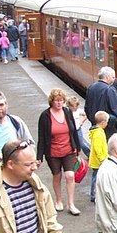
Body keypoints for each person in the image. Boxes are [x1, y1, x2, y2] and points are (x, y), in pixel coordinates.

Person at [37, 88, 81, 216]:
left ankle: (71, 204)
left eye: (61, 100)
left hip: (68, 149)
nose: (59, 103)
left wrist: (77, 148)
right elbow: (41, 137)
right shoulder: (45, 116)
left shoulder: (67, 112)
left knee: (70, 175)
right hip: (53, 152)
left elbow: (74, 131)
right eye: (57, 101)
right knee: (57, 175)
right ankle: (58, 200)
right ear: (52, 101)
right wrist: (39, 156)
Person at [85, 66, 117, 139]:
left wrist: (93, 120)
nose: (113, 80)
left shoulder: (91, 87)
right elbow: (116, 109)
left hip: (95, 124)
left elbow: (87, 107)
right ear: (107, 76)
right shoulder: (110, 89)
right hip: (109, 125)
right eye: (113, 77)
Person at [88, 111, 110, 203]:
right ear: (103, 122)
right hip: (98, 161)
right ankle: (94, 195)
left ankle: (96, 194)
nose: (107, 124)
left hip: (98, 160)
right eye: (107, 122)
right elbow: (98, 148)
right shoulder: (99, 133)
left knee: (97, 177)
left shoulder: (97, 131)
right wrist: (102, 158)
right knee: (96, 177)